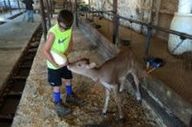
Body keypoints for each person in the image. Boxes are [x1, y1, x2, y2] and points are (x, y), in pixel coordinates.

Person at [43, 10, 82, 117]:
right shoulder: (53, 33)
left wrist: (67, 52)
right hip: (53, 63)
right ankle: (58, 103)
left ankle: (69, 96)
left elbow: (70, 41)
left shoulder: (69, 29)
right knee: (57, 85)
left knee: (68, 78)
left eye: (67, 28)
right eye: (62, 27)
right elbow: (45, 50)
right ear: (58, 21)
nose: (64, 30)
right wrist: (55, 65)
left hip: (63, 60)